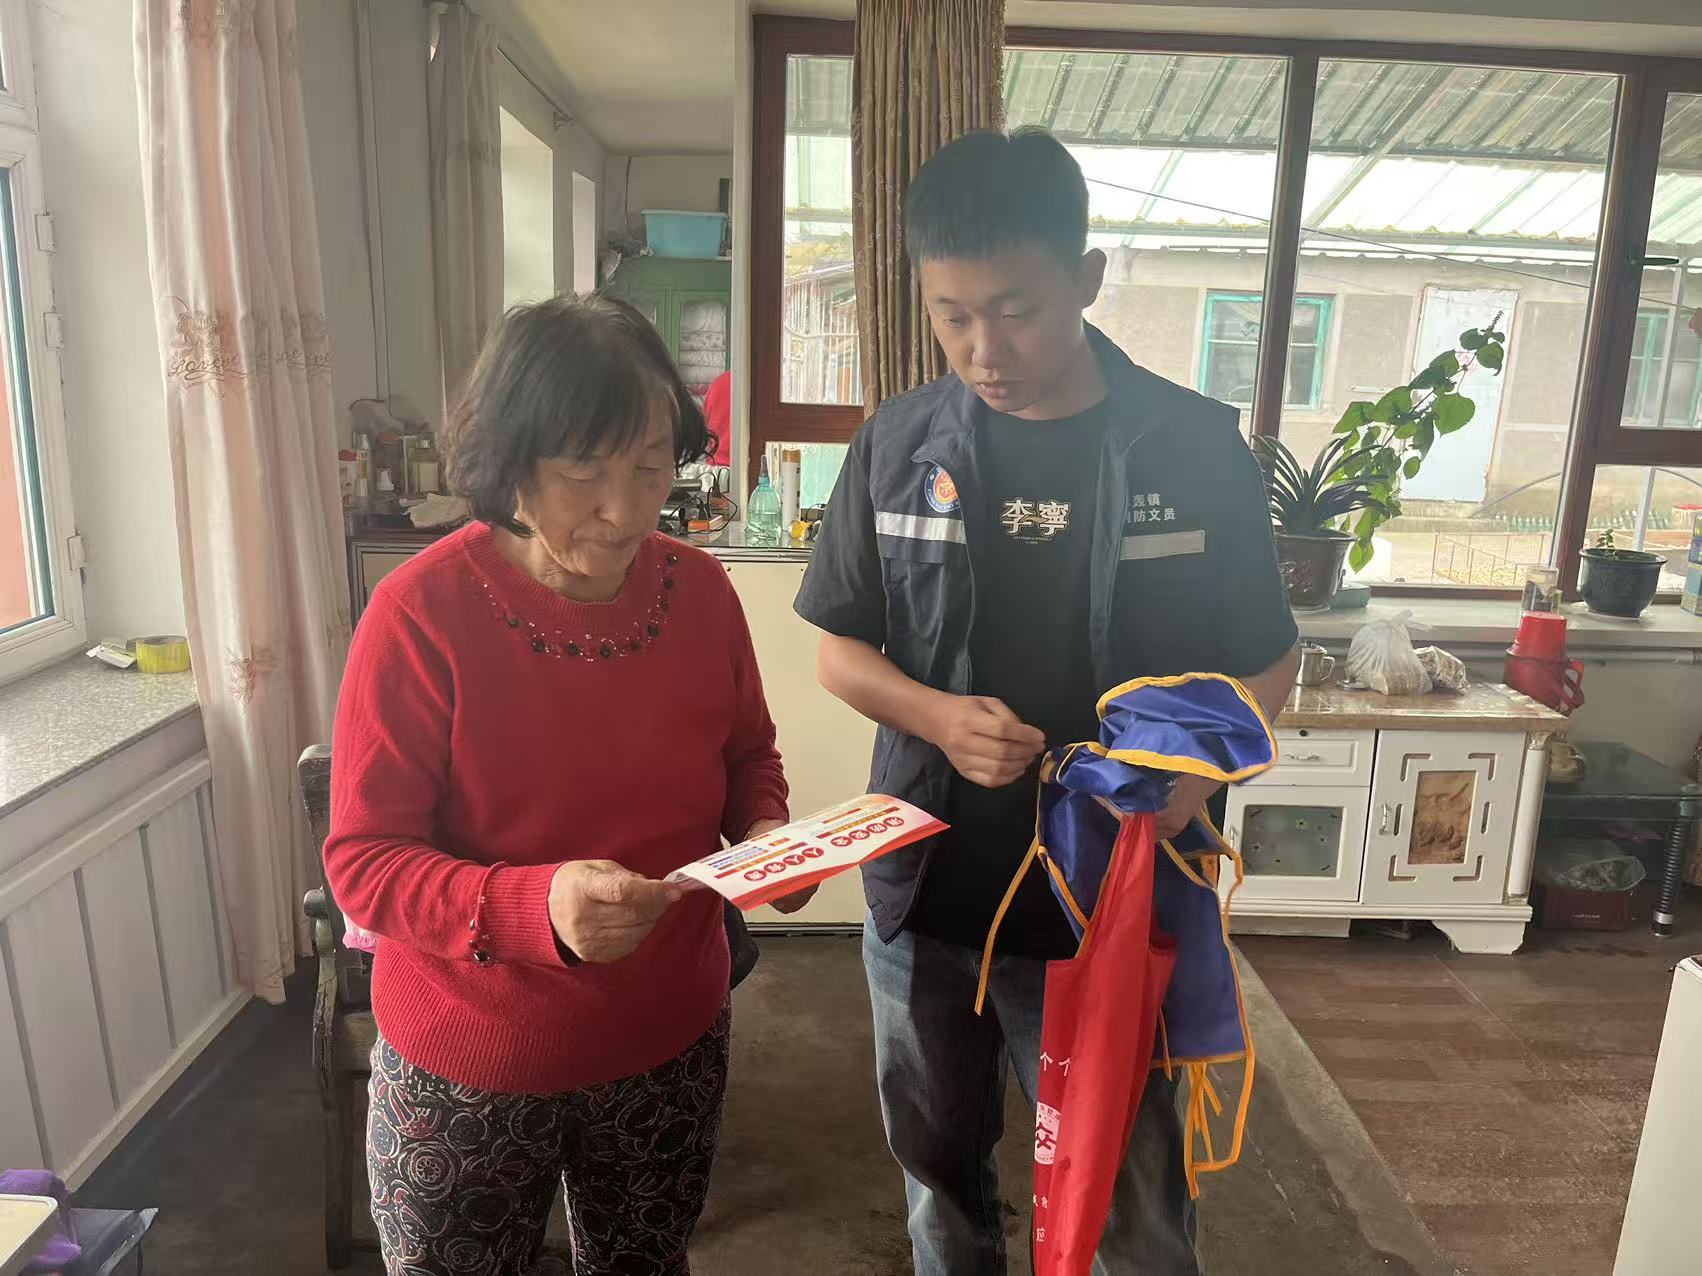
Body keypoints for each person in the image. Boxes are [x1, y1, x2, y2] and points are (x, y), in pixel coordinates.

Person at [794, 129, 1301, 1275]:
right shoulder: (896, 445)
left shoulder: (1194, 448)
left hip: (1117, 903)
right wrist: (937, 717)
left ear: (1086, 278)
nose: (986, 349)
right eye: (952, 316)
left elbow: (1268, 663)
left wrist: (1190, 782)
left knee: (1132, 1208)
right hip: (929, 892)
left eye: (1016, 311)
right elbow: (839, 650)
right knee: (940, 1187)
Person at [325, 294, 809, 1276]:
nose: (625, 511)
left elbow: (747, 755)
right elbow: (365, 865)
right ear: (510, 460)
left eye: (651, 467)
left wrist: (769, 835)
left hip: (669, 1038)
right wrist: (534, 905)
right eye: (584, 470)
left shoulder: (701, 592)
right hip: (470, 1059)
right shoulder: (419, 613)